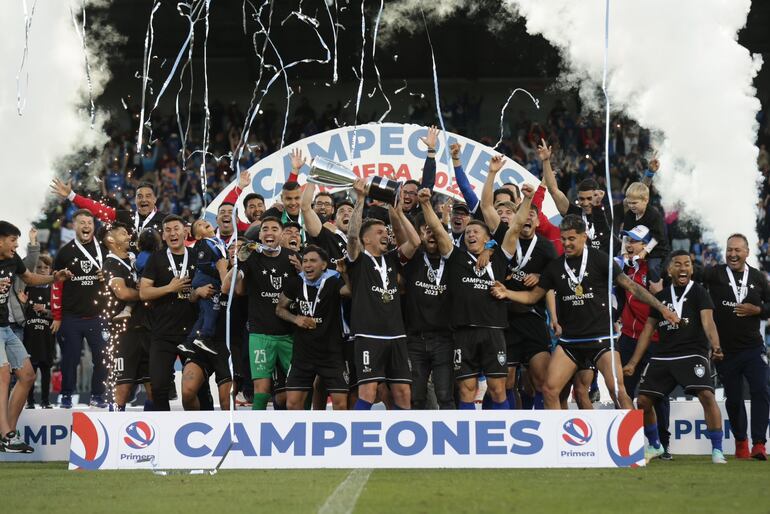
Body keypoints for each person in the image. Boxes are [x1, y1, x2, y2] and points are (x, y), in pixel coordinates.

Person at [490, 214, 680, 410]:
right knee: (549, 389)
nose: (566, 243)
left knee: (617, 389)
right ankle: (560, 439)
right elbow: (532, 297)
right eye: (563, 239)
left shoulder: (600, 259)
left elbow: (631, 286)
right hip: (571, 340)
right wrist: (507, 292)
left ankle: (632, 439)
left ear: (584, 237)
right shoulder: (555, 266)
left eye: (571, 238)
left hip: (601, 337)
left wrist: (662, 308)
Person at [623, 250, 727, 464]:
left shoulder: (699, 292)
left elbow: (708, 323)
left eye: (687, 264)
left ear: (691, 268)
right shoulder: (660, 298)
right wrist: (633, 362)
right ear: (669, 270)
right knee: (643, 400)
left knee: (707, 395)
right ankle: (654, 445)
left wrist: (715, 345)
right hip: (663, 356)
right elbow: (647, 332)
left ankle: (717, 450)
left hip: (692, 352)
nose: (683, 268)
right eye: (678, 264)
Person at [442, 155, 527, 410]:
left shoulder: (500, 248)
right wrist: (489, 172)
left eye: (475, 231)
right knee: (466, 389)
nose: (470, 234)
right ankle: (468, 441)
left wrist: (490, 247)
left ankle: (502, 437)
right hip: (464, 329)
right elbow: (482, 203)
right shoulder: (459, 255)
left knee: (500, 387)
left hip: (496, 328)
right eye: (467, 232)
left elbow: (515, 226)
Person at [345, 179, 421, 410]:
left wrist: (397, 213)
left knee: (403, 391)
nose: (385, 234)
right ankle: (356, 441)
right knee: (367, 390)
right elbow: (351, 238)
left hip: (396, 334)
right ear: (366, 239)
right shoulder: (358, 260)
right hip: (369, 334)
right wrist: (360, 200)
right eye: (379, 232)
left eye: (385, 231)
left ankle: (405, 442)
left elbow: (415, 242)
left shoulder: (391, 259)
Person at [0, 220, 71, 452]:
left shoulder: (12, 260)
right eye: (12, 240)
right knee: (2, 376)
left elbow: (29, 278)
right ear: (0, 240)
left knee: (28, 376)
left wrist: (54, 278)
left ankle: (6, 434)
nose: (15, 245)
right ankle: (7, 434)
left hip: (6, 328)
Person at [701, 233, 770, 460]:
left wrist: (758, 310)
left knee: (761, 391)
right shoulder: (715, 274)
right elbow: (687, 274)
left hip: (753, 348)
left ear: (747, 252)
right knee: (733, 397)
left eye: (737, 250)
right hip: (726, 351)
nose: (732, 254)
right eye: (729, 249)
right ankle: (741, 441)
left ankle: (759, 444)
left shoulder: (758, 278)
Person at [139, 215, 218, 411]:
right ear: (163, 235)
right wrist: (169, 288)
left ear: (185, 232)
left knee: (199, 387)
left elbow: (212, 285)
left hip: (192, 333)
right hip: (162, 333)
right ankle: (162, 435)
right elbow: (144, 292)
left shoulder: (197, 256)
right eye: (168, 230)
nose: (173, 233)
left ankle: (207, 429)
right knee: (158, 387)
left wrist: (198, 292)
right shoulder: (156, 259)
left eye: (177, 228)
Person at [225, 217, 298, 410]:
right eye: (265, 229)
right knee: (261, 389)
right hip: (260, 334)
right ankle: (257, 433)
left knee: (298, 387)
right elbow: (227, 288)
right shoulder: (251, 258)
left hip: (289, 333)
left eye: (275, 229)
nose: (269, 232)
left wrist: (302, 272)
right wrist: (237, 263)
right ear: (260, 235)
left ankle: (302, 428)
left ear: (281, 234)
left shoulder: (293, 258)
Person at [616, 225, 672, 458]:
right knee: (625, 390)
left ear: (647, 246)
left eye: (636, 241)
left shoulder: (656, 270)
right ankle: (630, 444)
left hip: (656, 340)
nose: (630, 245)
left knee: (657, 394)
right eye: (628, 240)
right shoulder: (622, 267)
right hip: (628, 338)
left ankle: (663, 445)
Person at [276, 245, 351, 410]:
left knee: (340, 404)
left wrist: (344, 273)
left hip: (331, 354)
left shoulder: (333, 282)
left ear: (323, 265)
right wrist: (295, 318)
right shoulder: (295, 283)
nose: (308, 265)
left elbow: (350, 291)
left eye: (313, 261)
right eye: (305, 261)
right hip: (303, 354)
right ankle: (302, 436)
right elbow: (279, 309)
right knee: (293, 403)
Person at [402, 190, 456, 409]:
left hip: (445, 338)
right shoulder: (412, 258)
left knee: (445, 395)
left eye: (436, 230)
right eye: (427, 231)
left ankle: (452, 439)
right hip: (414, 339)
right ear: (419, 234)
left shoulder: (454, 259)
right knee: (416, 396)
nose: (432, 235)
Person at [52, 209, 110, 408]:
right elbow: (55, 281)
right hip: (71, 317)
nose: (86, 226)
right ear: (74, 226)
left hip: (98, 316)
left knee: (103, 358)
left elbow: (116, 274)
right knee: (70, 359)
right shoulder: (64, 252)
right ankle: (66, 395)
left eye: (89, 222)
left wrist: (108, 275)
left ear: (94, 226)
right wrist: (57, 316)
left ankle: (98, 396)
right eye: (82, 223)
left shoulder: (104, 249)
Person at [102, 223, 152, 411]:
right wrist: (149, 293)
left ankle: (155, 433)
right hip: (123, 333)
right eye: (123, 233)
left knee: (153, 386)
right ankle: (112, 430)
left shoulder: (134, 258)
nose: (128, 235)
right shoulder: (110, 264)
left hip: (145, 328)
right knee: (122, 387)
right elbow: (122, 293)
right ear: (111, 240)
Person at [50, 179, 167, 251]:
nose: (143, 200)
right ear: (135, 200)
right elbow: (98, 209)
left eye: (148, 196)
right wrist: (71, 195)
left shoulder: (165, 221)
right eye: (139, 196)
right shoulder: (125, 217)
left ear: (155, 199)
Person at [538, 139, 611, 253]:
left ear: (597, 195)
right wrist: (546, 160)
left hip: (601, 267)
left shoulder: (607, 212)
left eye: (589, 198)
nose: (585, 203)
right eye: (582, 199)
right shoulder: (573, 212)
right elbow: (553, 190)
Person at [185, 219, 228, 356]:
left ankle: (189, 342)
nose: (203, 222)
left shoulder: (219, 242)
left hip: (211, 279)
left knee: (204, 314)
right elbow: (203, 264)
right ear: (198, 236)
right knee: (213, 310)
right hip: (205, 280)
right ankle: (204, 337)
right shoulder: (203, 243)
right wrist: (220, 273)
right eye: (199, 225)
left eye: (204, 221)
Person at [621, 182, 668, 289]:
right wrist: (624, 252)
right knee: (622, 265)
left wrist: (645, 251)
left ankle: (656, 291)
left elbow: (657, 236)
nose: (631, 206)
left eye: (634, 203)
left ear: (645, 200)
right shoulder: (629, 215)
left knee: (652, 268)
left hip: (656, 250)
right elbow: (625, 235)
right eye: (629, 203)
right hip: (635, 247)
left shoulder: (654, 215)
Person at [23, 255, 56, 409]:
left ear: (51, 270)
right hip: (30, 337)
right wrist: (23, 304)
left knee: (46, 370)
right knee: (30, 372)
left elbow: (59, 314)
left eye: (46, 267)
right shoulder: (26, 288)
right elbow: (19, 312)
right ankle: (29, 402)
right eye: (39, 267)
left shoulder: (53, 290)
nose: (43, 270)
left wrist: (45, 310)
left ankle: (45, 401)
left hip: (47, 337)